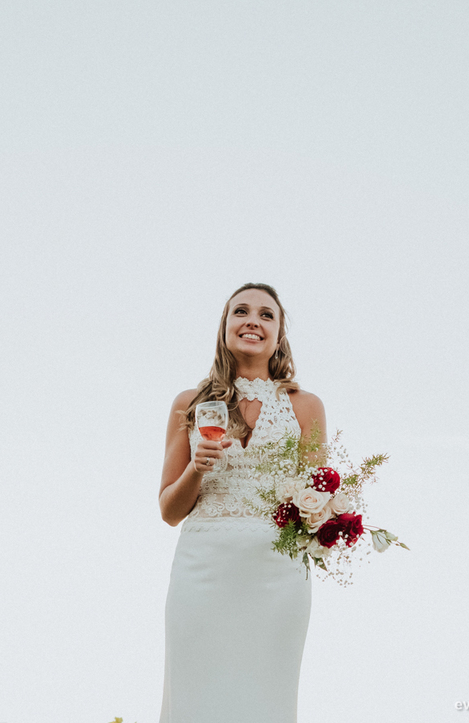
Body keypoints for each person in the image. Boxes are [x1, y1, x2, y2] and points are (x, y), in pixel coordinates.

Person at [158, 283, 326, 723]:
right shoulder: (190, 404)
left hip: (277, 575)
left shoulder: (306, 406)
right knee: (195, 696)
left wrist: (328, 518)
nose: (253, 320)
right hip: (203, 570)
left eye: (266, 315)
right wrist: (196, 468)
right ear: (225, 326)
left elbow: (320, 498)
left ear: (279, 334)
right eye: (242, 311)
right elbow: (169, 512)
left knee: (266, 700)